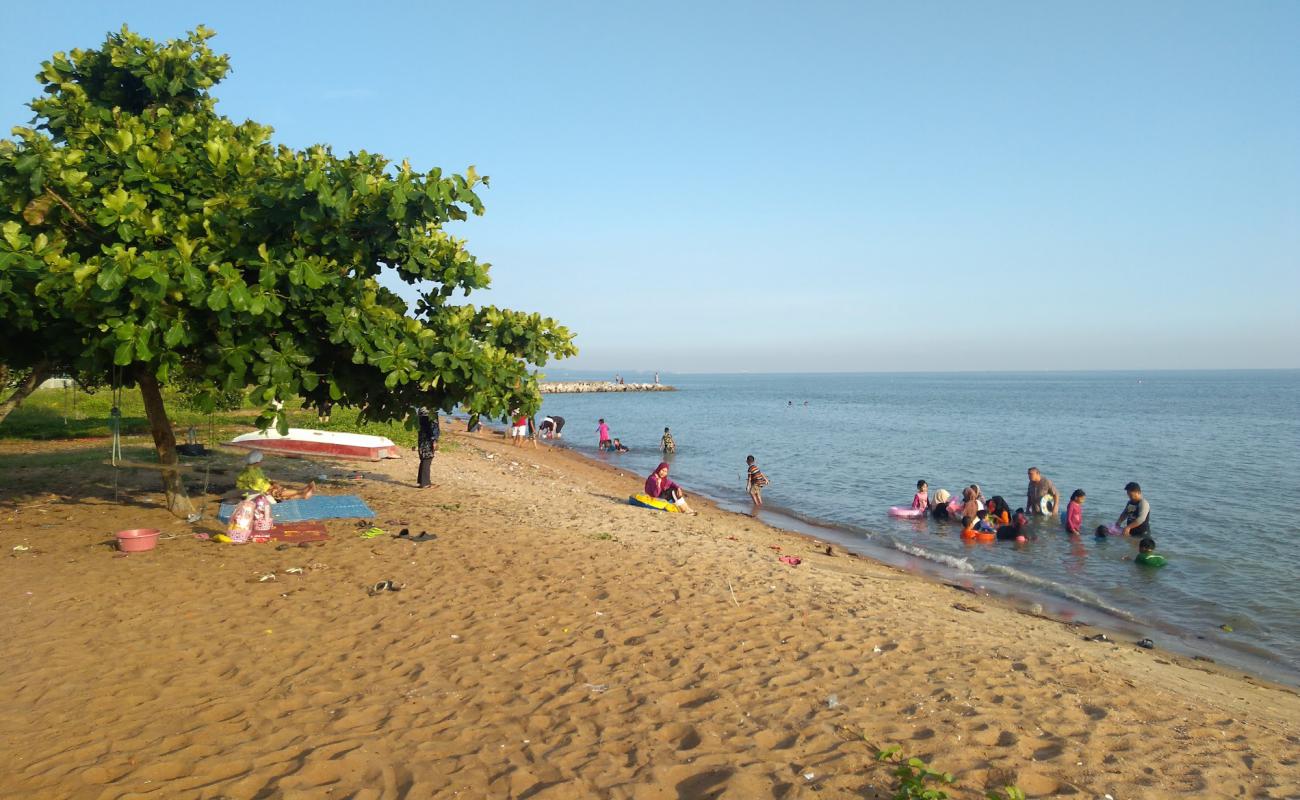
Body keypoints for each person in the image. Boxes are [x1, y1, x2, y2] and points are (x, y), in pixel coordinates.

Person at [235, 451, 315, 501]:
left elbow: (264, 479)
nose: (262, 462)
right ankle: (301, 493)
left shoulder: (255, 469)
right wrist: (272, 487)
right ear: (257, 462)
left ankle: (302, 491)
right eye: (261, 460)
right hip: (249, 493)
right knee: (277, 492)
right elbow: (259, 485)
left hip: (258, 489)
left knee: (278, 488)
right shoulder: (250, 473)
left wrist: (272, 482)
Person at [416, 407, 439, 489]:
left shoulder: (421, 411)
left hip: (422, 437)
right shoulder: (430, 413)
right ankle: (425, 483)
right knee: (427, 458)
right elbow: (432, 427)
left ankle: (422, 481)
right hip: (427, 439)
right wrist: (434, 440)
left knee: (424, 458)